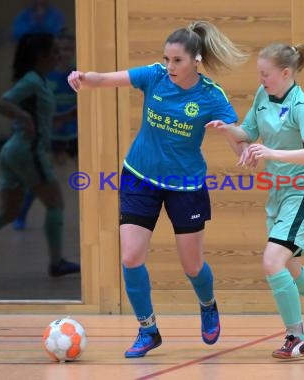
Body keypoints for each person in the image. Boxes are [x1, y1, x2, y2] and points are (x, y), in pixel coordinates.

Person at [67, 20, 248, 358]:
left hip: (186, 185)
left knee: (192, 264)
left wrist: (240, 145)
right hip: (139, 175)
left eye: (177, 60)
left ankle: (207, 304)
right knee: (131, 256)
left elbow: (238, 137)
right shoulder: (155, 76)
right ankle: (147, 330)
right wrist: (83, 78)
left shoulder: (211, 95)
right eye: (167, 59)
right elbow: (107, 79)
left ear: (196, 60)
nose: (170, 66)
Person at [206, 42, 304, 360]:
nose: (261, 79)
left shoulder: (302, 105)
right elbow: (247, 133)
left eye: (266, 74)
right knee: (291, 269)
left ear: (285, 73)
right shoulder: (263, 96)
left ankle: (297, 337)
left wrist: (271, 152)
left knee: (272, 261)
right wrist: (227, 132)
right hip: (278, 192)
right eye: (260, 74)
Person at [0, 33, 80, 281]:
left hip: (13, 152)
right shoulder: (31, 80)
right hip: (26, 151)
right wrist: (23, 117)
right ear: (41, 56)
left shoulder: (40, 82)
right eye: (54, 51)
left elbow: (42, 120)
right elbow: (2, 103)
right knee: (55, 204)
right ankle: (56, 263)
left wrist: (67, 116)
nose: (58, 55)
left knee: (8, 213)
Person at [12, 31, 78, 231]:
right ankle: (21, 215)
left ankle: (98, 215)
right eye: (60, 49)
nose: (64, 53)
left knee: (86, 177)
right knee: (39, 178)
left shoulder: (77, 75)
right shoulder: (43, 77)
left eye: (69, 49)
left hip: (74, 135)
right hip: (50, 136)